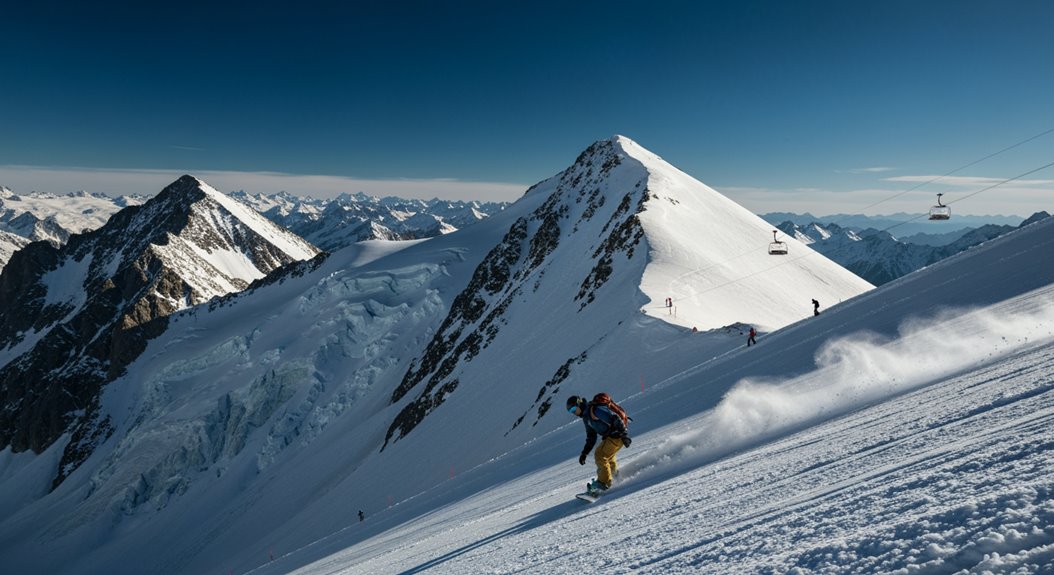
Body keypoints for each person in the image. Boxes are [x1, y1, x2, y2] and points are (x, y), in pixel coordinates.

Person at [567, 395, 631, 495]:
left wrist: (624, 434)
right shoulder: (586, 417)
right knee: (608, 457)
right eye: (570, 411)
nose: (573, 412)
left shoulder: (594, 410)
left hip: (617, 436)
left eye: (574, 409)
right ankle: (615, 478)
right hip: (610, 437)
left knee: (600, 455)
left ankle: (603, 483)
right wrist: (584, 453)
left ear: (579, 404)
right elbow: (591, 436)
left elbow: (615, 417)